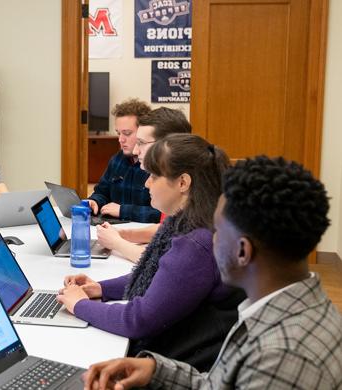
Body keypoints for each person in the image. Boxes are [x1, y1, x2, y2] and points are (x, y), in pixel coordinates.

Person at [84, 156, 342, 390]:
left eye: (217, 231)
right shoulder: (273, 307)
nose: (210, 240)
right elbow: (219, 384)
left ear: (243, 252)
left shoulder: (282, 357)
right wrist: (155, 370)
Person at [58, 134, 244, 370]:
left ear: (183, 183)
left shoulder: (197, 243)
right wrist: (101, 289)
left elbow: (139, 320)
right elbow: (161, 275)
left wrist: (80, 306)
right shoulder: (193, 222)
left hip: (182, 364)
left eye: (155, 176)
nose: (147, 184)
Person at [97, 107, 191, 262]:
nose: (135, 150)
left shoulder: (183, 189)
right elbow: (167, 228)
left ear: (167, 144)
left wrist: (117, 243)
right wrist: (125, 235)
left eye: (140, 143)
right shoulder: (176, 183)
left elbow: (162, 262)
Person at [87, 98, 159, 223]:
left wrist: (123, 211)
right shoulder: (117, 159)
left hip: (144, 233)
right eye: (118, 133)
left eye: (126, 133)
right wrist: (94, 201)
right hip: (113, 228)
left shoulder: (159, 166)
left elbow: (164, 215)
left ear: (143, 131)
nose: (120, 139)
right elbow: (102, 192)